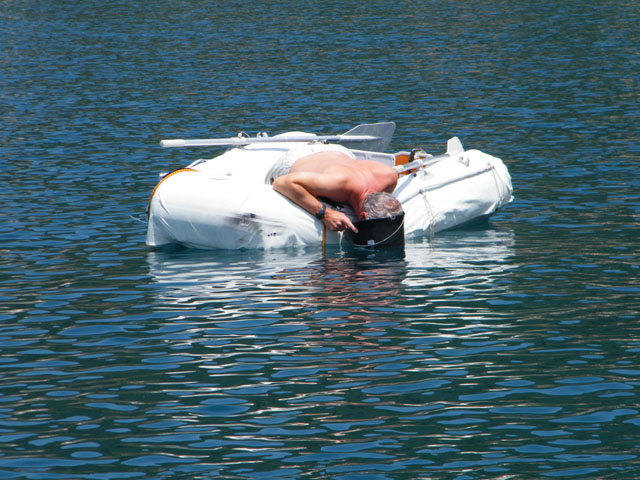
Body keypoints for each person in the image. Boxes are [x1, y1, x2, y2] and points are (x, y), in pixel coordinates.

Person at [269, 144, 402, 233]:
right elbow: (282, 183)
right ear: (362, 216)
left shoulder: (390, 176)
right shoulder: (338, 184)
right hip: (297, 157)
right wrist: (324, 214)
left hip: (340, 151)